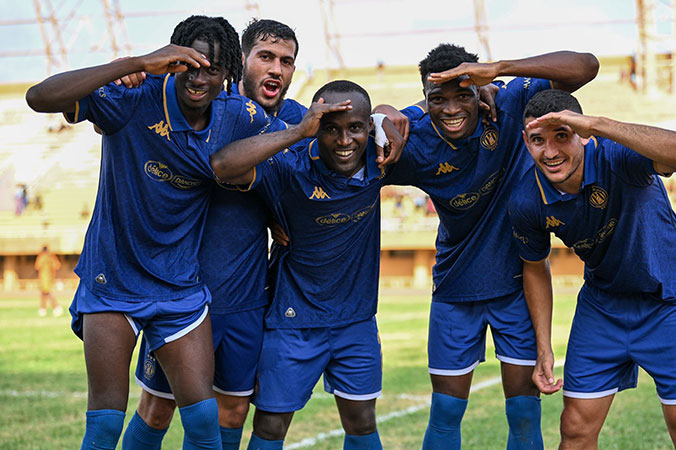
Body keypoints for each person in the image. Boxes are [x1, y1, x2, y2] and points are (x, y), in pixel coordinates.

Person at [25, 14, 279, 449]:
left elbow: (294, 144)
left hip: (179, 289)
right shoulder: (134, 95)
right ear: (173, 60)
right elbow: (39, 97)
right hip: (114, 281)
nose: (199, 78)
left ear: (228, 76)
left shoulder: (236, 115)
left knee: (204, 422)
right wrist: (135, 62)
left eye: (213, 69)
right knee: (105, 425)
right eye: (190, 64)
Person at [382, 44, 598, 449]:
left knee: (524, 415)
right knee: (445, 414)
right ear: (424, 99)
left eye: (463, 94)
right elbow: (349, 155)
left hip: (517, 287)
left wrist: (499, 68)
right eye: (438, 99)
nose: (451, 109)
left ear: (479, 88)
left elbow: (585, 66)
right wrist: (380, 114)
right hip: (455, 288)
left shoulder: (510, 102)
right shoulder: (415, 141)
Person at [123, 19, 304, 450]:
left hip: (245, 295)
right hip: (182, 292)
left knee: (233, 411)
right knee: (158, 407)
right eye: (265, 57)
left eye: (286, 61)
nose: (276, 69)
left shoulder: (295, 120)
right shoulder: (205, 105)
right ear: (241, 61)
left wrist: (385, 116)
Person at [508, 89, 676, 449]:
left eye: (562, 136)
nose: (550, 152)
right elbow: (534, 268)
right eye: (538, 140)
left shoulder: (617, 155)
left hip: (671, 303)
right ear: (526, 141)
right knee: (575, 428)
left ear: (583, 133)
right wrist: (544, 348)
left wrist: (598, 124)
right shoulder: (526, 199)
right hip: (603, 308)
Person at [211, 80, 401, 450]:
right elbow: (222, 166)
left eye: (355, 128)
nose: (344, 140)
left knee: (362, 422)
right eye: (331, 128)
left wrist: (386, 116)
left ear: (368, 128)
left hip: (356, 321)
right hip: (292, 321)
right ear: (317, 128)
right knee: (270, 426)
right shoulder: (292, 166)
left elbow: (429, 115)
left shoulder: (381, 158)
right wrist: (298, 132)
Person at [34, 245, 63, 317]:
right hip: (49, 277)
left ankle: (56, 307)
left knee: (47, 292)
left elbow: (37, 266)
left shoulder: (42, 257)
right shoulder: (51, 257)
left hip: (44, 278)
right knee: (44, 293)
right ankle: (43, 309)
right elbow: (57, 266)